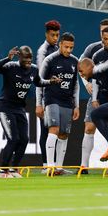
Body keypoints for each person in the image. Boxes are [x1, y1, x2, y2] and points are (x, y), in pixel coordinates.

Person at [0, 46, 61, 178]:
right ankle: (3, 170)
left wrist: (50, 82)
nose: (29, 62)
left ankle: (13, 169)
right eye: (26, 60)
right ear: (20, 58)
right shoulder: (11, 66)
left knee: (24, 139)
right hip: (5, 107)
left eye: (30, 59)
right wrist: (7, 58)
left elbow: (39, 82)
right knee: (13, 139)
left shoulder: (34, 69)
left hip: (19, 108)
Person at [79, 19, 108, 171]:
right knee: (89, 126)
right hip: (98, 94)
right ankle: (84, 165)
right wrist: (87, 84)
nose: (105, 37)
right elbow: (82, 67)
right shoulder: (93, 50)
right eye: (102, 32)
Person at [38, 32, 80, 175]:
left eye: (71, 48)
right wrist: (39, 103)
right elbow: (39, 82)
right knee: (54, 129)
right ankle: (49, 167)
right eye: (66, 47)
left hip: (67, 102)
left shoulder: (75, 61)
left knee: (63, 134)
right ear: (60, 44)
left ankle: (59, 168)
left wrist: (77, 105)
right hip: (52, 99)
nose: (69, 50)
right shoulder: (50, 60)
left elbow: (76, 85)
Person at [36, 20, 61, 172]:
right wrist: (39, 103)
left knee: (55, 130)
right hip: (47, 97)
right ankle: (46, 165)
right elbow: (39, 78)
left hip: (59, 96)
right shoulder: (42, 52)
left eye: (57, 35)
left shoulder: (58, 48)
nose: (55, 38)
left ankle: (55, 164)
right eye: (53, 35)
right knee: (46, 131)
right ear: (46, 34)